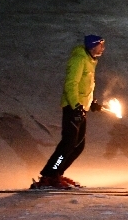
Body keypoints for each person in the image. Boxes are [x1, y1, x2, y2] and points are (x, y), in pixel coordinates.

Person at [36, 35, 106, 189]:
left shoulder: (90, 60)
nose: (103, 48)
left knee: (78, 146)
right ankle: (49, 175)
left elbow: (84, 86)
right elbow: (71, 84)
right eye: (101, 45)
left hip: (81, 108)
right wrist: (76, 106)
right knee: (68, 144)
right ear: (93, 46)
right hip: (72, 108)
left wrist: (92, 103)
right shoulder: (79, 59)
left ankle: (57, 173)